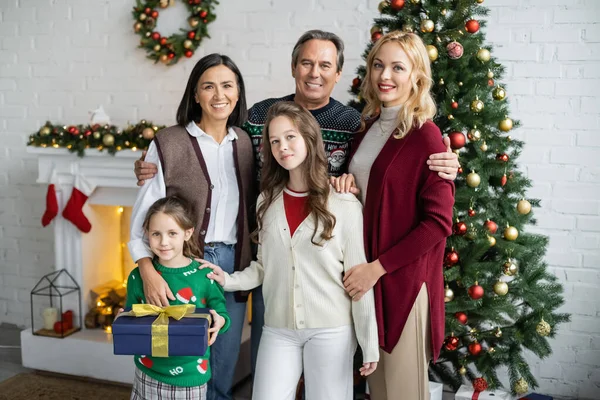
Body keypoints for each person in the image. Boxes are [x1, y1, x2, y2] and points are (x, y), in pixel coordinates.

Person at [134, 30, 461, 380]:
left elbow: (378, 176)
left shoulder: (355, 125)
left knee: (326, 369)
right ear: (293, 67)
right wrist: (153, 164)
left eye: (325, 65)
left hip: (326, 266)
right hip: (269, 251)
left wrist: (449, 164)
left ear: (338, 74)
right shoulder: (259, 117)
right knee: (267, 353)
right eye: (306, 63)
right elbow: (217, 147)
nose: (314, 72)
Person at [202, 101, 379, 400]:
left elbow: (358, 280)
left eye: (290, 137)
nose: (282, 146)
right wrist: (227, 279)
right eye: (274, 141)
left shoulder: (345, 205)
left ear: (309, 138)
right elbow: (263, 267)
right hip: (278, 329)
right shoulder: (266, 202)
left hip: (331, 330)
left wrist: (368, 342)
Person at [332, 31, 455, 400]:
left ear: (417, 76)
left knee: (403, 392)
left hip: (401, 281)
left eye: (397, 67)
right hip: (367, 278)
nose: (385, 75)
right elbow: (374, 198)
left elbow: (437, 223)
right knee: (380, 390)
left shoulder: (426, 136)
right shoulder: (366, 130)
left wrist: (378, 268)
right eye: (378, 65)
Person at [127, 53, 256, 400]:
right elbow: (141, 218)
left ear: (239, 93)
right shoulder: (167, 143)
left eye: (227, 85)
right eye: (208, 86)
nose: (219, 95)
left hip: (231, 266)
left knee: (222, 361)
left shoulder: (245, 143)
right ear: (195, 94)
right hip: (177, 268)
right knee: (174, 362)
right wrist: (148, 271)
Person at [125, 196, 229, 400]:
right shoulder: (138, 277)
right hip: (148, 373)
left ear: (188, 233)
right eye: (156, 234)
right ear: (147, 234)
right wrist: (125, 320)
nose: (164, 242)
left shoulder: (203, 276)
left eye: (172, 233)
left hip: (191, 378)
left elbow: (222, 312)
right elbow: (131, 314)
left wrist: (220, 320)